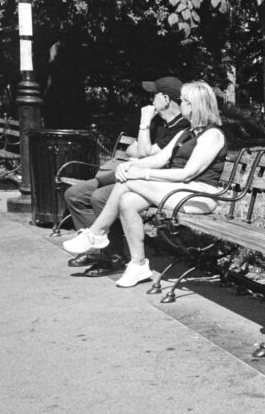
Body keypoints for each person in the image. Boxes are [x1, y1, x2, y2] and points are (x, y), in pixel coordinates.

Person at [61, 80, 227, 288]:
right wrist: (132, 166)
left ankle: (96, 233)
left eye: (183, 101)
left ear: (194, 105)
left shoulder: (212, 135)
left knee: (129, 182)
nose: (180, 104)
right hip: (180, 191)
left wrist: (141, 173)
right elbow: (158, 160)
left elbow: (187, 173)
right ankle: (137, 264)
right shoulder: (186, 133)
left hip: (199, 195)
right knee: (128, 200)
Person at [64, 76, 189, 275]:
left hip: (151, 181)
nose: (151, 99)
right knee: (74, 194)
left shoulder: (181, 127)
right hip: (133, 172)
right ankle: (97, 248)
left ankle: (113, 256)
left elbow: (145, 152)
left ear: (165, 99)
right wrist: (144, 142)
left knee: (99, 198)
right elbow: (135, 150)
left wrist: (144, 122)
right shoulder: (160, 124)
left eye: (154, 95)